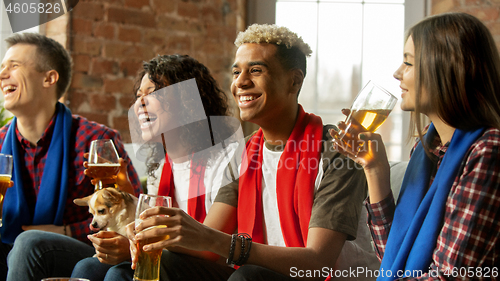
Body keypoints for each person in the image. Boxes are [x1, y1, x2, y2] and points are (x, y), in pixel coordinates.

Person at [103, 24, 373, 281]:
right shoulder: (243, 153)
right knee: (126, 272)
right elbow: (210, 244)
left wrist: (208, 238)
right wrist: (148, 237)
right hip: (258, 273)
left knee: (246, 276)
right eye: (236, 72)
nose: (241, 83)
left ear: (294, 81)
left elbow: (317, 263)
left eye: (255, 70)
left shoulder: (337, 150)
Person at [332, 12, 500, 280]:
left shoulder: (488, 151)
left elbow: (450, 276)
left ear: (445, 67)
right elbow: (394, 256)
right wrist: (374, 169)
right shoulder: (428, 148)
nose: (397, 73)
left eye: (408, 63)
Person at [71, 54, 241, 281]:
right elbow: (145, 224)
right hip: (171, 257)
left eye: (152, 93)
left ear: (186, 102)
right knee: (87, 269)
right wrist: (125, 192)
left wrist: (138, 244)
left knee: (118, 274)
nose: (139, 104)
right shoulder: (160, 165)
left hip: (214, 270)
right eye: (138, 95)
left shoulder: (224, 159)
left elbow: (210, 250)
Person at [0, 33, 142, 281]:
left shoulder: (96, 140)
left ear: (49, 78)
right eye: (2, 67)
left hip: (83, 252)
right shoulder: (1, 143)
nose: (2, 75)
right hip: (10, 250)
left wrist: (66, 230)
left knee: (27, 243)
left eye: (14, 66)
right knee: (21, 246)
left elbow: (131, 212)